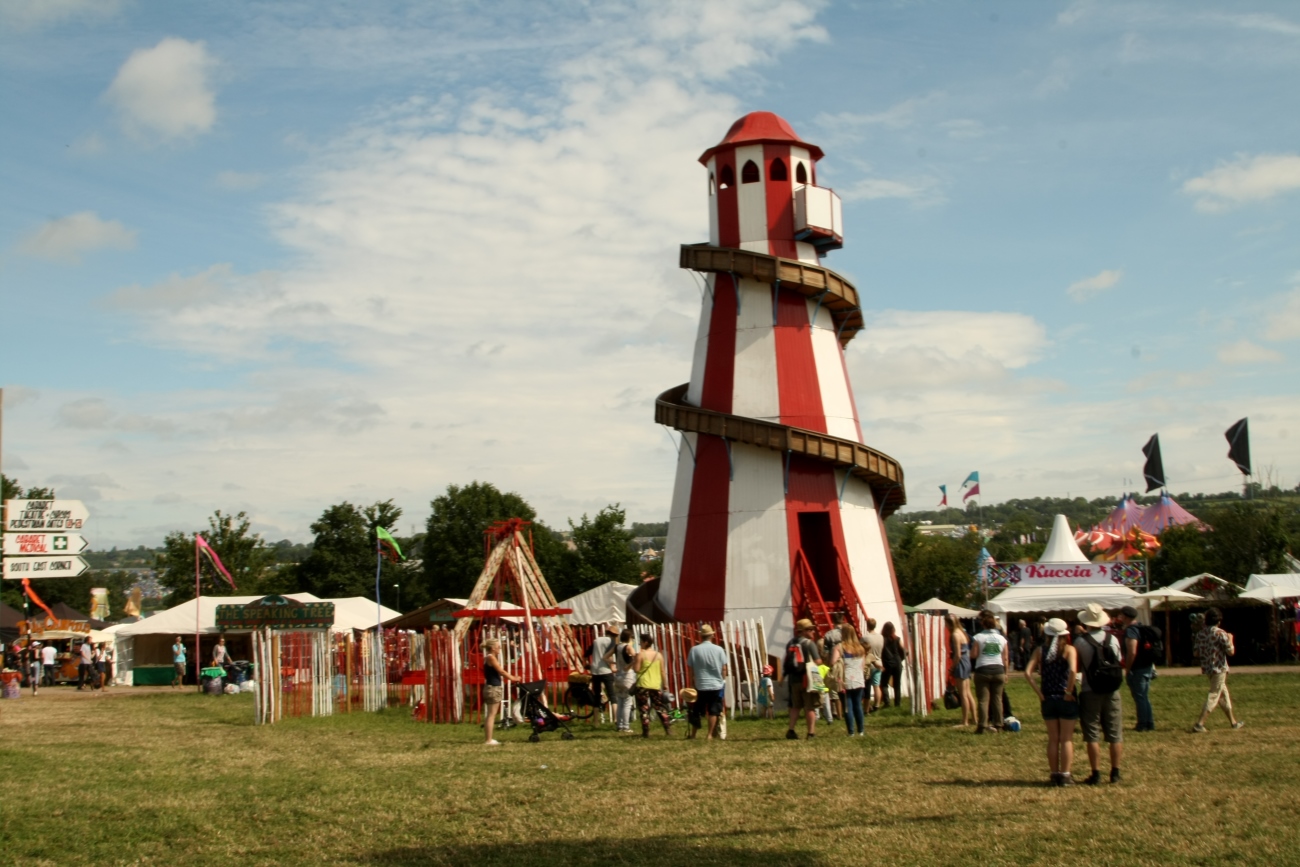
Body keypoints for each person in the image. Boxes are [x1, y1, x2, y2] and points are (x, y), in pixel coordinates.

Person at [1024, 618, 1079, 786]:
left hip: (1048, 697)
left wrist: (1040, 694)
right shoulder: (1069, 650)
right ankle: (1066, 775)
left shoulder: (1040, 651)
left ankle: (1054, 773)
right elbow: (1073, 670)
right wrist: (1069, 691)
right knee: (1066, 739)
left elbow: (1027, 672)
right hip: (1065, 697)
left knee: (1053, 738)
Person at [1073, 603, 1124, 784]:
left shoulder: (1080, 641)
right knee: (1115, 732)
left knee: (1092, 732)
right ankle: (1115, 772)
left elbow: (1076, 665)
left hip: (1090, 688)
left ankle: (1095, 772)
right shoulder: (1113, 639)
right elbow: (1118, 660)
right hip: (1112, 688)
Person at [1192, 607, 1245, 733]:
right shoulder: (1221, 633)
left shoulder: (1201, 634)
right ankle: (1200, 724)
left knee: (1222, 695)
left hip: (1208, 668)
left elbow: (1196, 653)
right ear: (1219, 621)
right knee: (1214, 694)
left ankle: (1233, 722)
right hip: (1219, 668)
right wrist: (1231, 638)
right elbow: (1231, 652)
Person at [1114, 605, 1156, 732]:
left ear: (1125, 617)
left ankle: (1143, 723)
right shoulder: (1141, 627)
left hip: (1137, 667)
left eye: (1121, 615)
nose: (1120, 617)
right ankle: (1149, 722)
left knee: (1139, 697)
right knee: (1144, 696)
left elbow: (1132, 651)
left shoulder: (1131, 630)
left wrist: (1128, 668)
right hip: (1147, 666)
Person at [686, 624, 729, 740]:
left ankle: (694, 734)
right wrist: (723, 680)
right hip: (716, 685)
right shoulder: (719, 650)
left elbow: (690, 669)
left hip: (700, 685)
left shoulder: (694, 650)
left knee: (697, 711)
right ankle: (709, 734)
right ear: (711, 636)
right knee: (713, 710)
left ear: (701, 636)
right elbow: (724, 668)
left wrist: (691, 683)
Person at [970, 611, 1010, 734]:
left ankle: (982, 725)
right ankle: (998, 724)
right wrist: (1006, 673)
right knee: (997, 699)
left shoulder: (978, 637)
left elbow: (974, 654)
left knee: (983, 700)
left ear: (983, 624)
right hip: (998, 670)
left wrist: (969, 654)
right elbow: (1006, 658)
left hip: (983, 669)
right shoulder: (1002, 638)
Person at [784, 619, 823, 739]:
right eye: (810, 629)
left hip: (793, 679)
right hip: (807, 680)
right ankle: (811, 733)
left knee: (796, 706)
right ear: (803, 631)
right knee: (809, 706)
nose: (813, 631)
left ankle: (791, 730)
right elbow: (817, 661)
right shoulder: (809, 643)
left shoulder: (790, 643)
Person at [633, 633, 673, 738]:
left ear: (645, 642)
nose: (639, 644)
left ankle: (646, 731)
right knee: (659, 707)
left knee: (643, 708)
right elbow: (662, 671)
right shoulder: (658, 655)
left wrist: (634, 661)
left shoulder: (641, 655)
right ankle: (667, 728)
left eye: (641, 641)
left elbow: (636, 670)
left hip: (643, 685)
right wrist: (665, 684)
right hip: (655, 685)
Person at [481, 638, 518, 745]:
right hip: (493, 688)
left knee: (491, 714)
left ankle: (489, 739)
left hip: (490, 687)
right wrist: (513, 678)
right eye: (498, 647)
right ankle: (488, 740)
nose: (499, 648)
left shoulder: (489, 657)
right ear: (492, 648)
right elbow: (501, 671)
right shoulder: (491, 657)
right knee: (491, 715)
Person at [836, 624, 868, 736]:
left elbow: (832, 661)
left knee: (848, 707)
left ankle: (851, 732)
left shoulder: (840, 647)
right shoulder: (861, 648)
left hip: (846, 680)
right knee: (858, 705)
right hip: (859, 679)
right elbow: (863, 666)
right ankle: (861, 730)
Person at [587, 623, 618, 722]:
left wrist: (587, 663)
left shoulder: (596, 640)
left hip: (595, 671)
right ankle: (616, 719)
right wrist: (612, 666)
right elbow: (607, 656)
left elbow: (586, 653)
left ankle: (596, 721)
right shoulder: (611, 641)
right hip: (606, 670)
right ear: (614, 635)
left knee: (596, 696)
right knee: (612, 695)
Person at [947, 614, 975, 728]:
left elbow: (957, 654)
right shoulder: (962, 632)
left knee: (963, 694)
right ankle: (974, 718)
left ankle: (965, 721)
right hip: (967, 662)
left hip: (961, 663)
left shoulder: (955, 634)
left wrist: (952, 667)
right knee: (968, 694)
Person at [611, 628, 637, 733]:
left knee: (620, 701)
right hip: (627, 676)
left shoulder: (617, 647)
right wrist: (629, 665)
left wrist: (613, 664)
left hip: (618, 675)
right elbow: (636, 657)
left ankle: (619, 725)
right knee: (627, 702)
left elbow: (605, 657)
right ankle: (626, 726)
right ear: (629, 638)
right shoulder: (628, 647)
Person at [880, 622, 906, 707]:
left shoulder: (882, 640)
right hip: (897, 663)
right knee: (897, 684)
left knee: (884, 683)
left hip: (887, 663)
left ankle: (887, 702)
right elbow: (905, 651)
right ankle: (897, 703)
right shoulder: (897, 639)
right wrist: (901, 659)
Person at [863, 618, 885, 712]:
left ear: (867, 625)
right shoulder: (881, 637)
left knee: (866, 687)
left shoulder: (865, 638)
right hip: (879, 661)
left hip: (868, 663)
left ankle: (866, 706)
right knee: (876, 685)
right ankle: (877, 705)